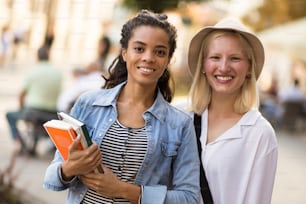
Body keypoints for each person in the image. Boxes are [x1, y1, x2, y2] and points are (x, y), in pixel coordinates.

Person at [43, 10, 200, 204]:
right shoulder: (89, 104)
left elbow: (189, 198)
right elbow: (51, 179)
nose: (149, 58)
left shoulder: (180, 124)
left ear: (168, 59)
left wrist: (123, 190)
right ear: (124, 52)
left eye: (159, 52)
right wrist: (70, 168)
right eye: (139, 49)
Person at [187, 18, 278, 204]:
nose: (224, 67)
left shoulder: (259, 133)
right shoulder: (180, 116)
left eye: (235, 58)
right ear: (203, 65)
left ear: (249, 69)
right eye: (215, 57)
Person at [6, 45, 62, 155]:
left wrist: (21, 107)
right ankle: (32, 145)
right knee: (37, 120)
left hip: (34, 111)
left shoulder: (33, 71)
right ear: (49, 57)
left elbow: (22, 94)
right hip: (52, 113)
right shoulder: (57, 72)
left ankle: (20, 144)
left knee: (10, 115)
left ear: (37, 57)